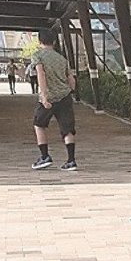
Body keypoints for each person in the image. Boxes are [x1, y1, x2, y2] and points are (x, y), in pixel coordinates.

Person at [30, 31, 78, 170]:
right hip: (65, 97)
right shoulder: (62, 59)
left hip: (49, 98)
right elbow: (71, 80)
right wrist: (70, 91)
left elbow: (41, 74)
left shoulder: (38, 56)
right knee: (67, 129)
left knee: (39, 124)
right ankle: (71, 160)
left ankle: (45, 156)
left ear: (39, 41)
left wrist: (44, 96)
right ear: (54, 42)